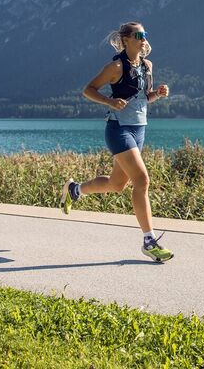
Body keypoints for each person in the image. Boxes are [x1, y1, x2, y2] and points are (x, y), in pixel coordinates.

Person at [59, 21, 174, 262]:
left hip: (139, 129)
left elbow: (144, 98)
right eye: (138, 35)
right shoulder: (115, 67)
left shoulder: (147, 65)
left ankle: (74, 190)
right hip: (118, 129)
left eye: (145, 34)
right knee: (142, 180)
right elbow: (88, 90)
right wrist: (110, 102)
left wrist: (158, 94)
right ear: (125, 40)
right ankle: (149, 241)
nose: (143, 39)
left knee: (116, 184)